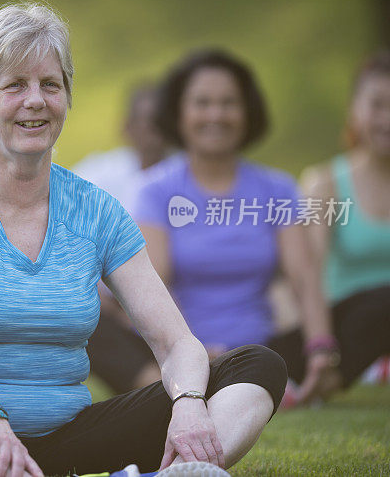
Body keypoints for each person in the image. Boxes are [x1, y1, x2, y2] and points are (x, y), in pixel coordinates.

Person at [0, 3, 287, 477]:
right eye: (14, 85)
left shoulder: (96, 210)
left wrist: (189, 405)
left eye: (51, 84)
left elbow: (177, 345)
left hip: (68, 441)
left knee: (255, 365)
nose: (36, 100)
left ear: (67, 98)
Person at [133, 49, 340, 406]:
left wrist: (321, 348)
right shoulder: (155, 191)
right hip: (179, 349)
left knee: (377, 303)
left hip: (265, 349)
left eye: (229, 103)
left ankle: (289, 377)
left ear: (247, 113)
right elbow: (155, 289)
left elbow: (304, 278)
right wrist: (190, 351)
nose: (216, 114)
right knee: (103, 325)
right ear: (179, 114)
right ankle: (187, 381)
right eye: (202, 103)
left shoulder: (277, 189)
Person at [284, 49, 390, 393]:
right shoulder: (324, 183)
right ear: (355, 111)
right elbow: (308, 273)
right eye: (377, 105)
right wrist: (321, 349)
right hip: (345, 327)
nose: (387, 119)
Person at [73, 85, 168, 393]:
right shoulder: (98, 174)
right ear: (127, 127)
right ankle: (153, 383)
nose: (154, 131)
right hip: (111, 307)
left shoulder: (185, 179)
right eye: (146, 121)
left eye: (162, 121)